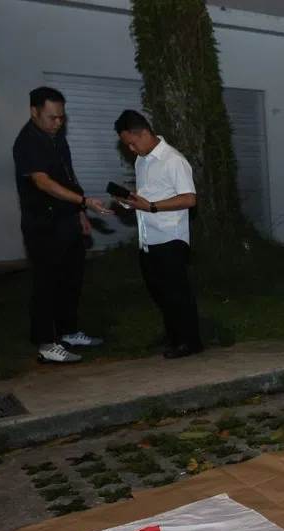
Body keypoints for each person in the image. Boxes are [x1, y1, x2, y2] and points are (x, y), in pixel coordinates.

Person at [12, 86, 113, 364]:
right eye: (52, 118)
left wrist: (80, 212)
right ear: (34, 112)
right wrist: (84, 201)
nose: (58, 123)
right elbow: (42, 182)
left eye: (62, 118)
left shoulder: (56, 139)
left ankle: (68, 332)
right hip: (42, 225)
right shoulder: (28, 142)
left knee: (71, 280)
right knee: (46, 283)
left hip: (66, 221)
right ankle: (46, 344)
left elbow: (68, 174)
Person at [114, 110, 202, 359]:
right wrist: (132, 199)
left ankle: (190, 341)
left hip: (170, 237)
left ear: (144, 132)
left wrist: (152, 207)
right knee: (160, 291)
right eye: (127, 145)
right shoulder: (142, 160)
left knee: (177, 291)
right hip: (148, 238)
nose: (131, 149)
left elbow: (189, 199)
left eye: (132, 142)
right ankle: (175, 335)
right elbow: (150, 194)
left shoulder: (173, 160)